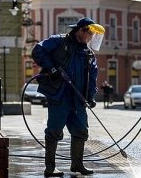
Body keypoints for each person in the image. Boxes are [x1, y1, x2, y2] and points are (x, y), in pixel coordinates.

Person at [31, 17, 105, 177]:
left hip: (78, 99)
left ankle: (77, 164)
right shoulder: (60, 42)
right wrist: (52, 69)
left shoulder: (88, 53)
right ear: (80, 30)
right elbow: (38, 50)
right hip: (60, 95)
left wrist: (90, 97)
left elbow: (92, 77)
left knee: (80, 131)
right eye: (90, 34)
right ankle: (50, 168)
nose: (91, 38)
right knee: (54, 131)